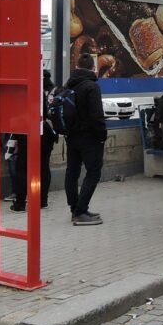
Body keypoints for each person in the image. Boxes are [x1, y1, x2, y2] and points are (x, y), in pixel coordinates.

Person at [63, 52, 106, 226]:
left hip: (71, 136)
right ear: (93, 67)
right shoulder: (91, 86)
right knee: (93, 172)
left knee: (72, 172)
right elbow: (97, 115)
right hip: (89, 137)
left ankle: (75, 208)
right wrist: (102, 135)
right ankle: (81, 211)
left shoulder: (68, 85)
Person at [9, 69, 57, 213]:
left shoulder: (22, 91)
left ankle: (20, 202)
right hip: (45, 132)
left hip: (26, 132)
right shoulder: (42, 89)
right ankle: (42, 200)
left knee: (22, 167)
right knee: (43, 166)